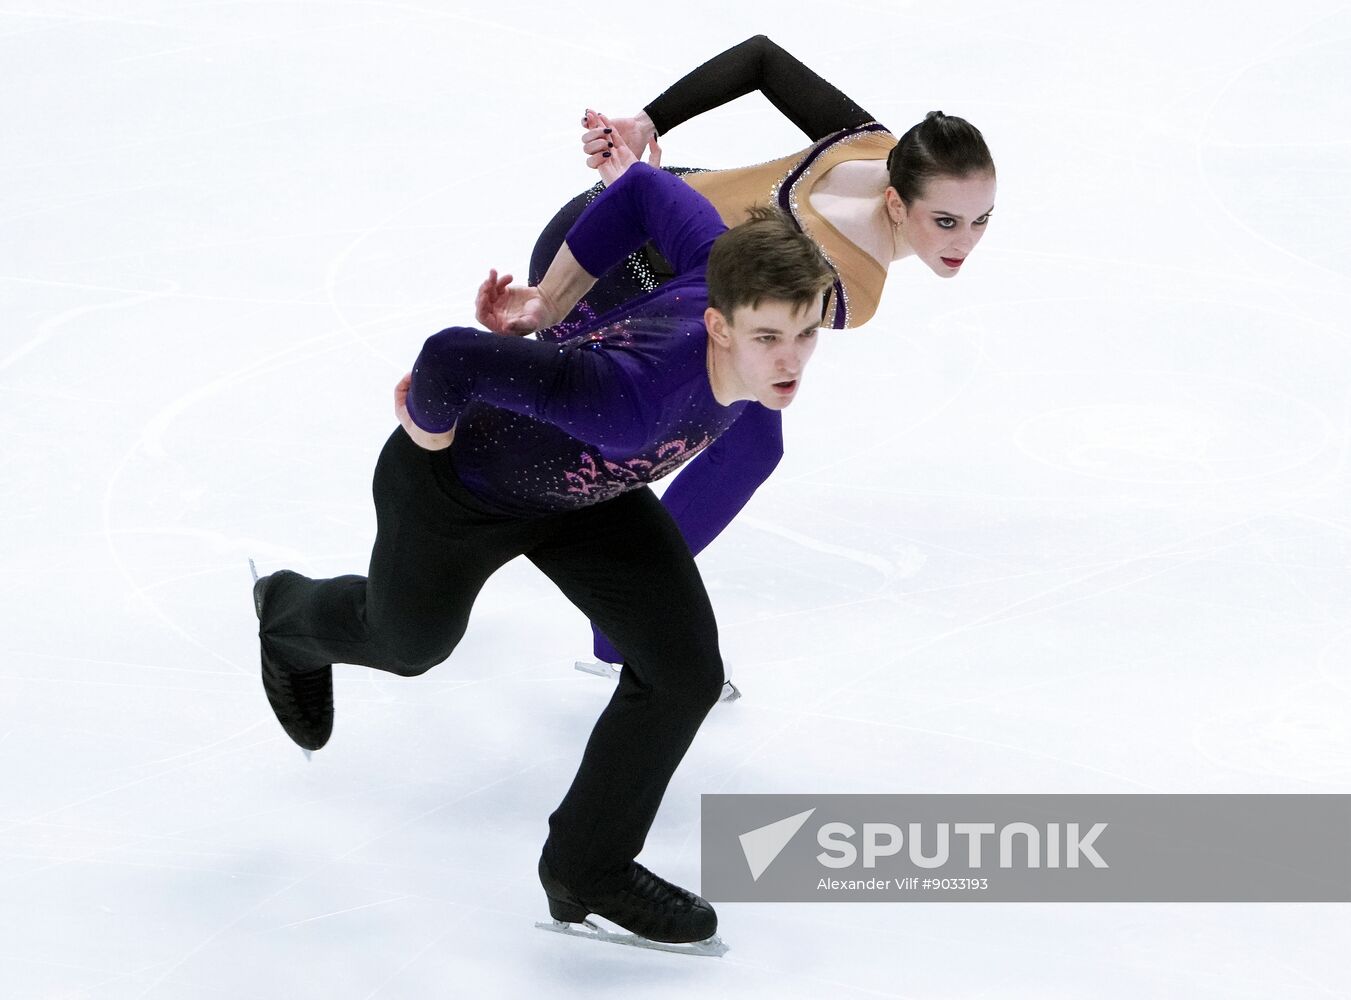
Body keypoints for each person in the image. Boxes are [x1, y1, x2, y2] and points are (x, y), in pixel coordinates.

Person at [250, 148, 834, 948]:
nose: (791, 360)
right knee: (409, 645)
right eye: (768, 336)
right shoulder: (634, 396)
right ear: (717, 322)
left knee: (682, 675)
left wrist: (550, 303)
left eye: (805, 333)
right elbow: (451, 356)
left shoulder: (720, 271)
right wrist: (426, 432)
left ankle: (584, 868)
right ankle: (287, 615)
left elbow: (643, 187)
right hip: (460, 496)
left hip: (590, 496)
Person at [531, 35, 999, 670]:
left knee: (745, 445)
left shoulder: (874, 145)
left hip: (613, 219)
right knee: (701, 445)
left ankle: (618, 624)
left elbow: (761, 60)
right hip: (600, 276)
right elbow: (718, 293)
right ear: (898, 199)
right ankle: (620, 627)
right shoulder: (849, 286)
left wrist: (644, 131)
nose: (965, 241)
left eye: (980, 221)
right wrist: (633, 170)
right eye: (945, 221)